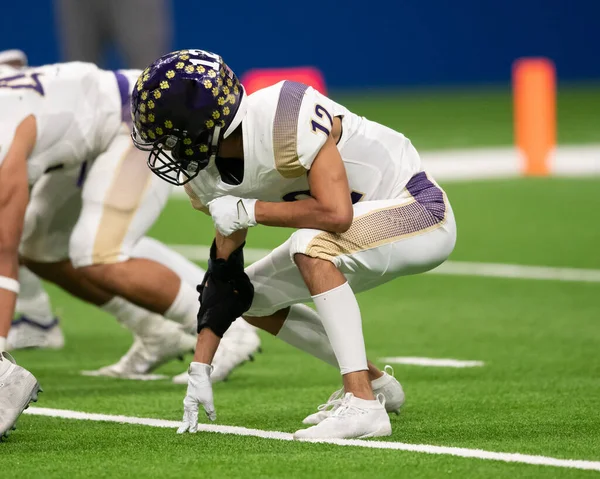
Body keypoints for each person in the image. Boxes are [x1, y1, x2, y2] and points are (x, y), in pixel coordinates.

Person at [130, 49, 457, 440]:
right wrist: (201, 366)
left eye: (171, 134)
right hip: (353, 230)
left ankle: (363, 406)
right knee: (251, 299)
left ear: (205, 127)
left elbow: (337, 215)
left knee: (310, 246)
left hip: (418, 211)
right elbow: (225, 283)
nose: (166, 147)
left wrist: (252, 210)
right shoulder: (206, 176)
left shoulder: (284, 117)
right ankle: (375, 385)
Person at [0, 58, 259, 438]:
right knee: (39, 248)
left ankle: (226, 331)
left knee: (99, 253)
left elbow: (3, 255)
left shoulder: (4, 143)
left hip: (137, 118)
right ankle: (157, 334)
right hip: (81, 138)